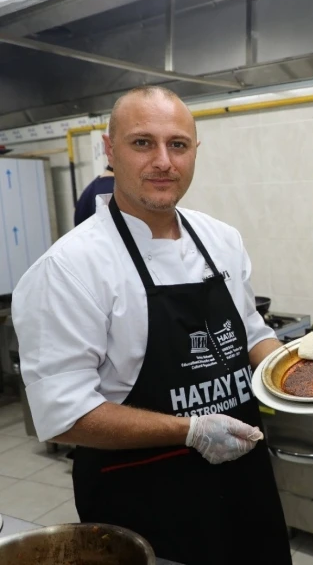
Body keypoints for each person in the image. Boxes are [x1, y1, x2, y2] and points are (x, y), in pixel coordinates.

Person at [12, 86, 292, 565]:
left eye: (177, 145)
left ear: (194, 152)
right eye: (143, 143)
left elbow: (252, 331)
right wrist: (191, 431)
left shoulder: (221, 239)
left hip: (246, 484)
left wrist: (302, 375)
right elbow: (64, 415)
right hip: (146, 498)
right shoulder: (70, 268)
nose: (163, 161)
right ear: (109, 149)